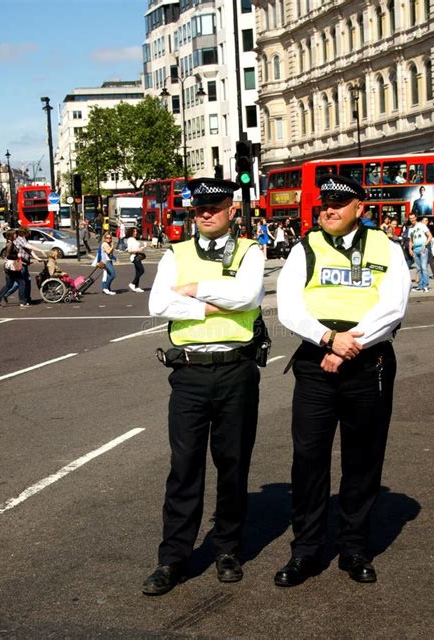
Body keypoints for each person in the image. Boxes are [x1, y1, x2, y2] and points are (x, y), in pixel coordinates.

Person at [275, 174, 410, 587]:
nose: (328, 209)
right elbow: (287, 306)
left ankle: (354, 548)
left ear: (360, 209)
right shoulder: (304, 248)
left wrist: (350, 345)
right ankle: (307, 551)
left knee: (363, 460)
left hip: (369, 365)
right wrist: (329, 339)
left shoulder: (386, 248)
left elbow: (395, 304)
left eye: (338, 203)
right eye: (324, 203)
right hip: (317, 363)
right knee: (309, 460)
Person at [143, 177, 266, 596]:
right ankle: (173, 558)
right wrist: (218, 299)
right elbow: (159, 304)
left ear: (232, 210)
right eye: (199, 208)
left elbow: (249, 296)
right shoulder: (175, 253)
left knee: (232, 465)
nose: (206, 213)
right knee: (184, 469)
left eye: (214, 206)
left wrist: (193, 291)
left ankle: (228, 550)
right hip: (190, 374)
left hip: (236, 370)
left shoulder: (251, 250)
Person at [0, 230, 22, 307]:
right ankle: (23, 301)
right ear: (10, 236)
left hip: (10, 266)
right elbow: (8, 255)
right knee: (21, 282)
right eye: (15, 234)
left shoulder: (11, 243)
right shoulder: (10, 244)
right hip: (10, 266)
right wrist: (17, 256)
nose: (16, 235)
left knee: (9, 285)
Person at [408, 213, 432, 292]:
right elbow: (411, 240)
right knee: (419, 268)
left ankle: (425, 286)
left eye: (413, 218)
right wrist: (410, 249)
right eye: (410, 218)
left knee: (424, 268)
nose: (412, 219)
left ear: (416, 217)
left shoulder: (422, 225)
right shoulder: (410, 229)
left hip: (422, 249)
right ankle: (420, 286)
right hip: (415, 249)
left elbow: (430, 236)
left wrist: (425, 245)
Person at [126, 227, 146, 292]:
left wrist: (143, 247)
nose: (135, 232)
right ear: (131, 232)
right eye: (134, 231)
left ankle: (137, 287)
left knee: (138, 271)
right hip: (134, 257)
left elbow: (138, 248)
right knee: (141, 270)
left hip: (138, 256)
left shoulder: (134, 239)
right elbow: (129, 250)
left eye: (136, 231)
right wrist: (138, 250)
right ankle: (132, 283)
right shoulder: (130, 239)